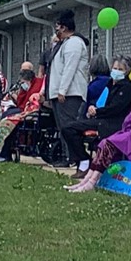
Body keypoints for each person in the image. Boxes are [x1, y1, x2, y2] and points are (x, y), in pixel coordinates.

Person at [61, 55, 131, 179]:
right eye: (115, 68)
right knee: (67, 128)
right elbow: (99, 101)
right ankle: (84, 159)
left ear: (127, 71)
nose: (116, 71)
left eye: (120, 69)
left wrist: (98, 111)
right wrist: (92, 108)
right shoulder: (109, 83)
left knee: (69, 128)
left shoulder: (127, 87)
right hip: (100, 118)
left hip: (112, 122)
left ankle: (85, 162)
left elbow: (116, 108)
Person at [47, 9, 90, 169]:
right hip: (61, 93)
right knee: (63, 128)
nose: (56, 30)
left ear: (64, 28)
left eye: (57, 27)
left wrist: (62, 90)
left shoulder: (74, 43)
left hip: (71, 93)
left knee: (68, 127)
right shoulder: (64, 43)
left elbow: (69, 68)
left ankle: (78, 158)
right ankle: (69, 156)